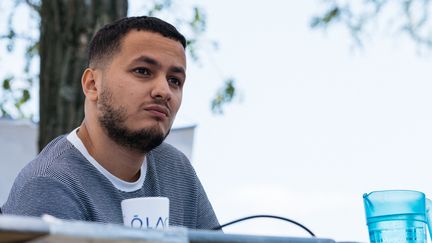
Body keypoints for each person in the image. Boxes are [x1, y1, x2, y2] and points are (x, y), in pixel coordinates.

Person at [1, 16, 219, 230]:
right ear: (92, 85)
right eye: (143, 71)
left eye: (175, 81)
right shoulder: (50, 185)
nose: (164, 91)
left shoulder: (175, 168)